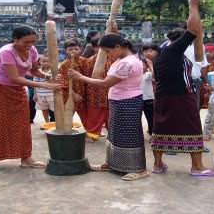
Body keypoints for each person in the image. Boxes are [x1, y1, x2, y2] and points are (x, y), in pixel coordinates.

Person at [151, 0, 214, 176]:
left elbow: (156, 76)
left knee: (161, 128)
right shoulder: (174, 49)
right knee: (192, 128)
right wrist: (192, 6)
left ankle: (158, 165)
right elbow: (192, 29)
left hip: (163, 95)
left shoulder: (161, 53)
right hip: (181, 95)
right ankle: (197, 167)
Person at [0, 25, 61, 172]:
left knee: (22, 122)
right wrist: (45, 85)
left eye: (33, 42)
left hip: (17, 89)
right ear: (15, 39)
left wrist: (48, 76)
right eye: (26, 42)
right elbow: (14, 77)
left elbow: (34, 71)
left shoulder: (32, 50)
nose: (29, 45)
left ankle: (26, 158)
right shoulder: (6, 52)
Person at [68, 32, 149, 181]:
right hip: (118, 100)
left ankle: (140, 168)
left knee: (130, 136)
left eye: (107, 51)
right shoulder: (123, 57)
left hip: (128, 102)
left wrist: (80, 77)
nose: (106, 55)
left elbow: (106, 84)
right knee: (115, 135)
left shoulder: (128, 62)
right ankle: (112, 163)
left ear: (118, 47)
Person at [58, 38, 89, 141]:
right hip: (68, 94)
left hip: (83, 93)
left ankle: (88, 133)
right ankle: (66, 132)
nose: (73, 51)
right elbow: (63, 82)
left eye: (76, 49)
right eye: (70, 49)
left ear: (80, 50)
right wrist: (73, 94)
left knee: (85, 115)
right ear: (66, 51)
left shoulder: (85, 62)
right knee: (68, 114)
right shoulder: (64, 65)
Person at [84, 36, 114, 140]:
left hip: (110, 92)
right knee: (94, 115)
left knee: (111, 115)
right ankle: (91, 135)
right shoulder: (89, 61)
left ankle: (113, 135)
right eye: (98, 47)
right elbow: (87, 78)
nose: (101, 50)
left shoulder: (113, 59)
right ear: (93, 48)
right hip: (95, 93)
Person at [33, 54, 54, 124]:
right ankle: (47, 123)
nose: (46, 63)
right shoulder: (37, 72)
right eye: (44, 61)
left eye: (48, 61)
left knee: (55, 110)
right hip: (40, 95)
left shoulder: (54, 71)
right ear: (40, 62)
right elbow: (34, 83)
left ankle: (56, 123)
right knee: (44, 109)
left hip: (52, 94)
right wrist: (35, 95)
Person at [200, 44, 214, 109]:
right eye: (206, 52)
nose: (207, 53)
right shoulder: (199, 63)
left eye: (210, 52)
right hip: (201, 85)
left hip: (213, 85)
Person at [141, 58, 155, 137]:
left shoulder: (148, 74)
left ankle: (152, 132)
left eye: (143, 65)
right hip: (137, 99)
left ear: (146, 66)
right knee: (136, 118)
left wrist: (151, 65)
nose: (141, 66)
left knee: (150, 117)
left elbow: (154, 76)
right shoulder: (134, 75)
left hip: (148, 99)